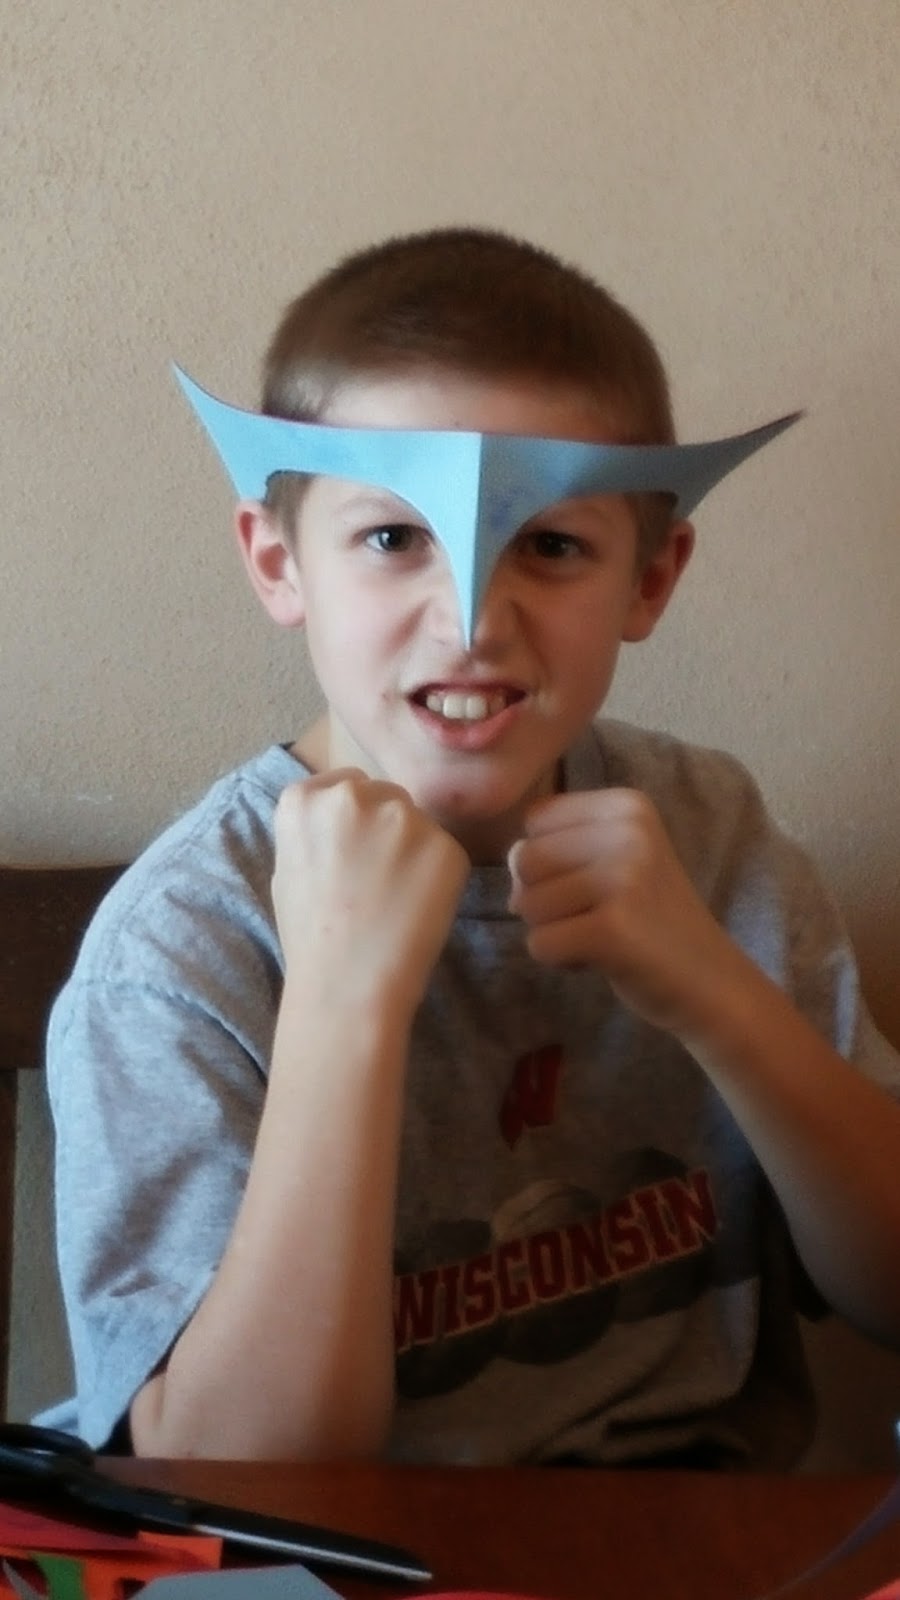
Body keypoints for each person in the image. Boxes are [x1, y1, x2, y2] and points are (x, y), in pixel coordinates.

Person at [43, 226, 900, 1468]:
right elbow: (238, 1481)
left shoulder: (709, 832)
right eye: (394, 538)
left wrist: (715, 991)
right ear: (280, 562)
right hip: (342, 1549)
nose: (472, 619)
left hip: (700, 1531)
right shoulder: (180, 949)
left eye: (550, 544)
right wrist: (341, 1006)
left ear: (651, 578)